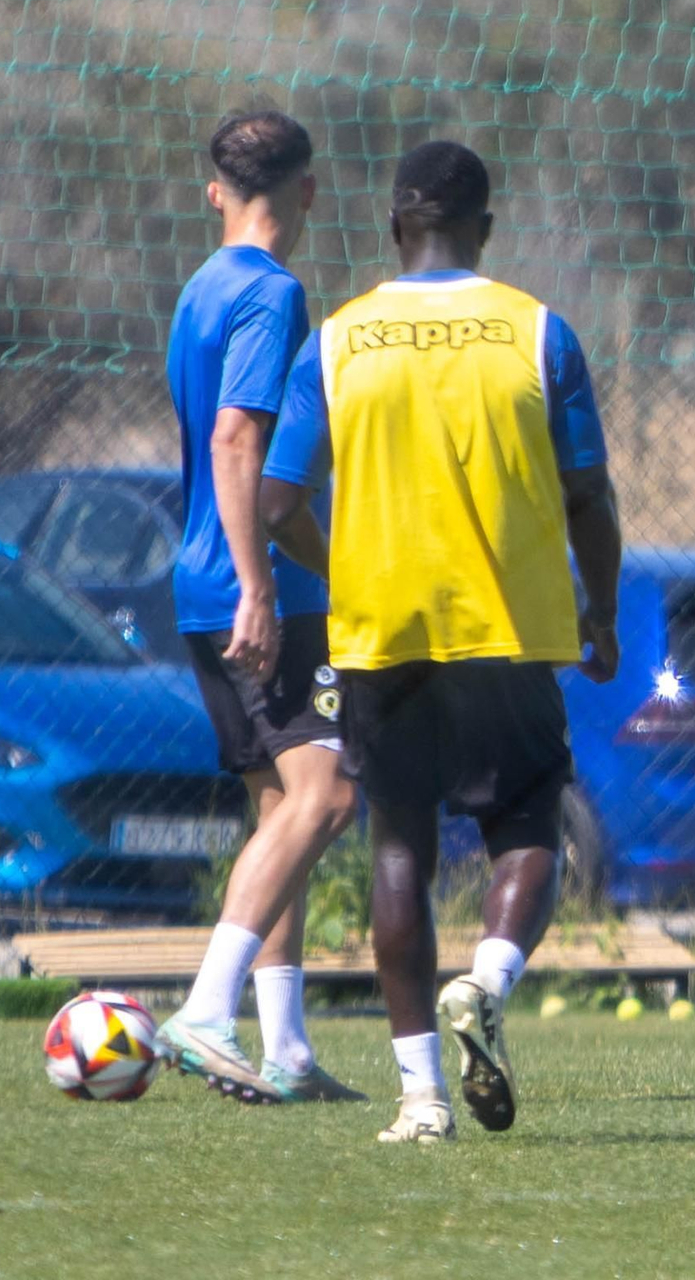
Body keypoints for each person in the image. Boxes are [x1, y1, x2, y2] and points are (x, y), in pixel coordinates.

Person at [261, 139, 622, 1144]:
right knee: (527, 824)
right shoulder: (537, 334)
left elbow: (277, 499)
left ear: (392, 227)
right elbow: (586, 492)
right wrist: (599, 609)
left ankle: (420, 1097)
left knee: (397, 847)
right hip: (508, 630)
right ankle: (491, 977)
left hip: (383, 633)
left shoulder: (337, 340)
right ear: (486, 230)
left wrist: (342, 568)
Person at [152, 110, 365, 1105]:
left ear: (216, 192)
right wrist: (263, 583)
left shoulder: (198, 288)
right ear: (308, 192)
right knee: (327, 797)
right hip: (249, 588)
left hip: (194, 583)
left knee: (279, 807)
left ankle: (282, 1046)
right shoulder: (272, 294)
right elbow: (238, 440)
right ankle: (205, 1008)